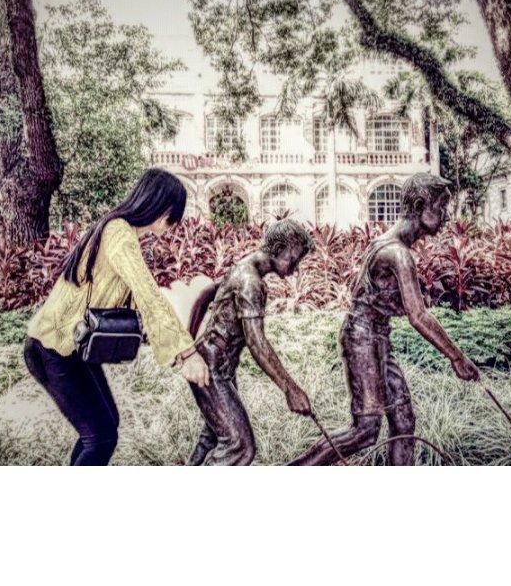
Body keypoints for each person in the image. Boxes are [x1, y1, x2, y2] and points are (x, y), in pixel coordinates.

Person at [290, 173, 479, 466]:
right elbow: (418, 316)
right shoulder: (397, 253)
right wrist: (456, 357)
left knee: (403, 420)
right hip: (362, 338)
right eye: (440, 207)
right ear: (420, 205)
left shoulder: (390, 245)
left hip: (375, 336)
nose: (444, 216)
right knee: (365, 431)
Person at [23, 168, 209, 466]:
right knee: (101, 437)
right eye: (173, 215)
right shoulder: (119, 234)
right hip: (53, 349)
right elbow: (148, 294)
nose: (172, 224)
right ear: (163, 209)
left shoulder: (119, 231)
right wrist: (187, 354)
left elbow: (139, 299)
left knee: (104, 429)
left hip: (69, 347)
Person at [186, 219, 315, 465]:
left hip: (216, 364)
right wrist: (291, 389)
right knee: (239, 447)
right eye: (293, 259)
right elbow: (257, 343)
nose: (296, 267)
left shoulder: (243, 267)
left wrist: (190, 344)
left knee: (212, 437)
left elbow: (206, 295)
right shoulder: (251, 282)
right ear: (278, 248)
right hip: (212, 368)